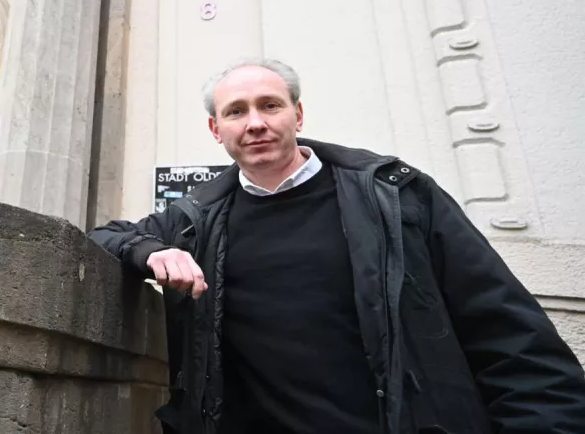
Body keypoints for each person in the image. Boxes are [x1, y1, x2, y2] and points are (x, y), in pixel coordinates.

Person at [90, 58, 585, 434]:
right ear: (216, 130)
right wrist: (152, 252)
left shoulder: (396, 194)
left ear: (298, 114)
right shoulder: (195, 218)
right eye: (236, 112)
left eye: (270, 105)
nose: (255, 122)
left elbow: (507, 332)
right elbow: (103, 237)